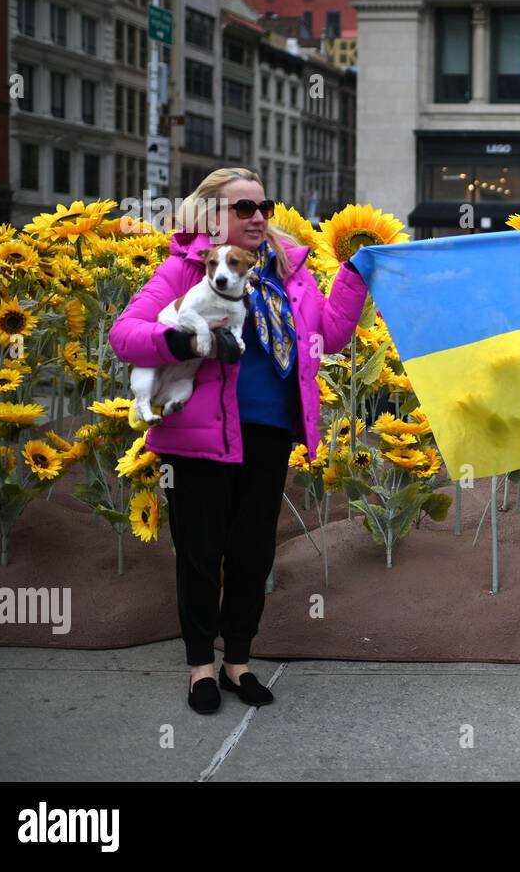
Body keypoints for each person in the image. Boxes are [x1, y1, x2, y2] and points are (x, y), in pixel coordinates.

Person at [108, 168, 371, 714]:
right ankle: (200, 667)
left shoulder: (292, 270)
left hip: (269, 430)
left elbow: (328, 336)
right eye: (243, 208)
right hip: (197, 436)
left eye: (263, 207)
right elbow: (125, 335)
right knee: (201, 555)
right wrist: (181, 339)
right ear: (211, 215)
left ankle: (239, 663)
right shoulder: (184, 268)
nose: (257, 218)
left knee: (252, 553)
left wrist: (354, 275)